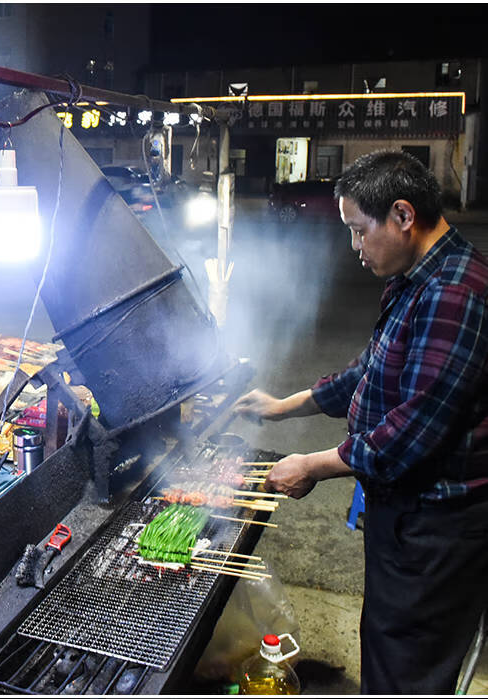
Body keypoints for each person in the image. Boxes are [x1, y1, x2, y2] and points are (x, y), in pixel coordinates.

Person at [233, 150, 488, 695]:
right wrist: (284, 405)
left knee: (405, 669)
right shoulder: (416, 277)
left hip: (435, 530)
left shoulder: (454, 294)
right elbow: (369, 372)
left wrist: (312, 465)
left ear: (402, 215)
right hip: (405, 517)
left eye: (358, 230)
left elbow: (411, 432)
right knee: (385, 645)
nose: (354, 247)